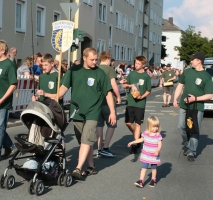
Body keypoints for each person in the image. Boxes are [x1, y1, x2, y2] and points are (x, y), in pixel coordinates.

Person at [58, 47, 116, 179]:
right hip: (77, 112)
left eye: (96, 59)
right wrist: (55, 99)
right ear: (84, 58)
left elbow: (108, 93)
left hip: (93, 112)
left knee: (86, 139)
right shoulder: (74, 71)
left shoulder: (100, 73)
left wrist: (112, 112)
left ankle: (78, 168)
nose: (95, 62)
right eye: (92, 60)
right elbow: (63, 87)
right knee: (84, 141)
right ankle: (91, 166)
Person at [173, 52, 213, 162]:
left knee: (194, 129)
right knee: (181, 126)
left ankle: (191, 152)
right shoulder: (187, 72)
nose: (191, 61)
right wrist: (175, 98)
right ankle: (187, 144)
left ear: (199, 61)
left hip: (197, 107)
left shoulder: (206, 76)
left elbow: (210, 95)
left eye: (193, 59)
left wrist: (195, 99)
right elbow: (180, 85)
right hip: (184, 105)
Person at [123, 56, 151, 154]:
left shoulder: (146, 76)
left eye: (139, 64)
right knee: (128, 122)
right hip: (130, 102)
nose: (136, 65)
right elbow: (125, 85)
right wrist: (131, 85)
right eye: (135, 63)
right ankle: (138, 136)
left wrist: (141, 97)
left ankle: (135, 144)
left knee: (138, 123)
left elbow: (148, 90)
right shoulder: (132, 74)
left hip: (140, 103)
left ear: (143, 65)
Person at [96, 51, 121, 157]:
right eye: (110, 59)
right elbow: (113, 84)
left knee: (99, 125)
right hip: (108, 100)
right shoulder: (110, 69)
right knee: (111, 124)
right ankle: (106, 147)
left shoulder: (96, 69)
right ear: (107, 59)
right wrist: (119, 96)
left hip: (97, 101)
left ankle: (99, 148)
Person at [128, 116, 162, 188]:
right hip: (146, 155)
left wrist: (157, 150)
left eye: (157, 127)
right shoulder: (145, 133)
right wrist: (133, 142)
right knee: (144, 168)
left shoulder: (158, 135)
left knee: (153, 168)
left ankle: (153, 180)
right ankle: (141, 181)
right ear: (149, 126)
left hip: (154, 156)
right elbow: (141, 140)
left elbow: (159, 144)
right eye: (154, 127)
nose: (156, 128)